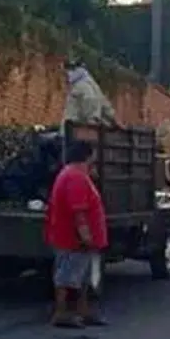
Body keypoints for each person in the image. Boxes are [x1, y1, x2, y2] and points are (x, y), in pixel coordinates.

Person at [44, 139, 108, 328]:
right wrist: (85, 235)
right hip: (72, 239)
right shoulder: (75, 177)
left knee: (82, 277)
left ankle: (83, 311)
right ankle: (62, 312)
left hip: (75, 238)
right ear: (87, 156)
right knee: (67, 276)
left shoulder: (78, 175)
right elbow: (78, 210)